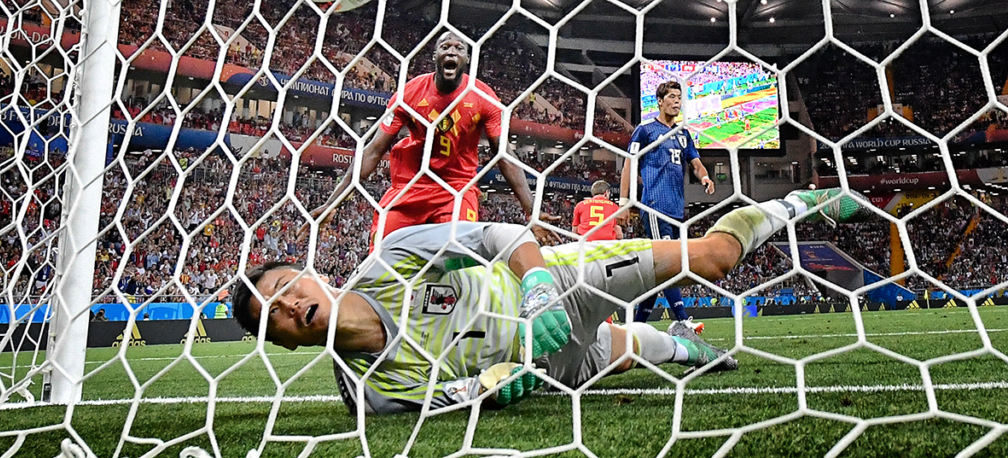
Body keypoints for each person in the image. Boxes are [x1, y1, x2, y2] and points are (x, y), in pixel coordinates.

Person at [232, 187, 867, 414]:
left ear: (312, 272)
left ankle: (794, 204)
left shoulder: (392, 258)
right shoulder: (372, 392)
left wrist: (536, 289)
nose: (288, 306)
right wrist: (496, 385)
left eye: (287, 288)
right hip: (543, 366)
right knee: (625, 351)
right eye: (273, 316)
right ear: (282, 344)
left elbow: (501, 234)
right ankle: (687, 345)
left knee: (713, 258)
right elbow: (455, 400)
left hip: (558, 284)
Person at [312, 31, 558, 244]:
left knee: (459, 255)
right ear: (435, 56)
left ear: (467, 59)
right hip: (411, 185)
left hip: (457, 188)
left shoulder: (484, 98)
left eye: (459, 48)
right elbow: (374, 150)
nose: (451, 52)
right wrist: (333, 202)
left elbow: (504, 156)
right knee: (383, 256)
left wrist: (531, 211)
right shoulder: (409, 93)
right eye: (445, 47)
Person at [620, 80, 714, 329]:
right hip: (654, 206)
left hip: (676, 209)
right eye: (671, 97)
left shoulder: (683, 134)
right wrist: (624, 201)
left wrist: (704, 176)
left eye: (679, 97)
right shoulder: (646, 129)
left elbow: (695, 163)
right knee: (672, 262)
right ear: (659, 101)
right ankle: (684, 322)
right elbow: (629, 163)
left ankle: (635, 327)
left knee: (657, 271)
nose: (676, 101)